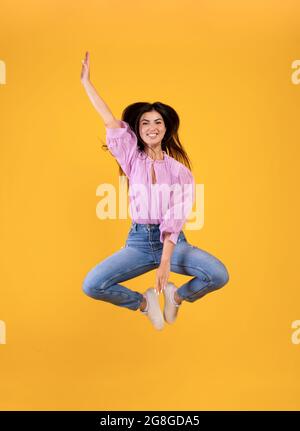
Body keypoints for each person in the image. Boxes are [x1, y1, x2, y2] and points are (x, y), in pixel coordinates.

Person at [80, 51, 229, 330]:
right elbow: (110, 121)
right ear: (137, 129)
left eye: (157, 122)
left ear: (166, 128)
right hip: (138, 242)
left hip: (173, 244)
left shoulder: (180, 172)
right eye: (145, 122)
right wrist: (87, 84)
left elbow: (175, 218)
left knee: (218, 274)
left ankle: (177, 296)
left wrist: (165, 263)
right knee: (92, 284)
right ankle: (144, 303)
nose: (152, 127)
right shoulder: (131, 158)